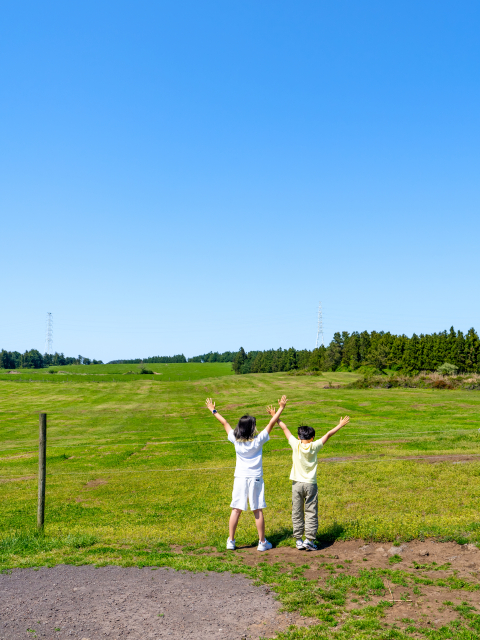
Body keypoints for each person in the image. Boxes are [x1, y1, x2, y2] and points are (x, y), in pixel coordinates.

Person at [205, 395, 288, 551]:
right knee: (257, 509)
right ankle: (262, 543)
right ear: (252, 428)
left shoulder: (235, 440)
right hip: (255, 478)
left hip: (240, 478)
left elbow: (225, 423)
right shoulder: (258, 440)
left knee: (236, 509)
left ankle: (231, 541)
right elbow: (271, 423)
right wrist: (281, 408)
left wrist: (213, 410)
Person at [267, 405, 350, 551]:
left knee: (297, 511)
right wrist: (340, 425)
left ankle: (298, 540)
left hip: (296, 484)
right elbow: (329, 434)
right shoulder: (315, 446)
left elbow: (284, 428)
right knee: (311, 511)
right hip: (311, 484)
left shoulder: (295, 444)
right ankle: (309, 540)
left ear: (299, 437)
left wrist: (276, 416)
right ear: (312, 438)